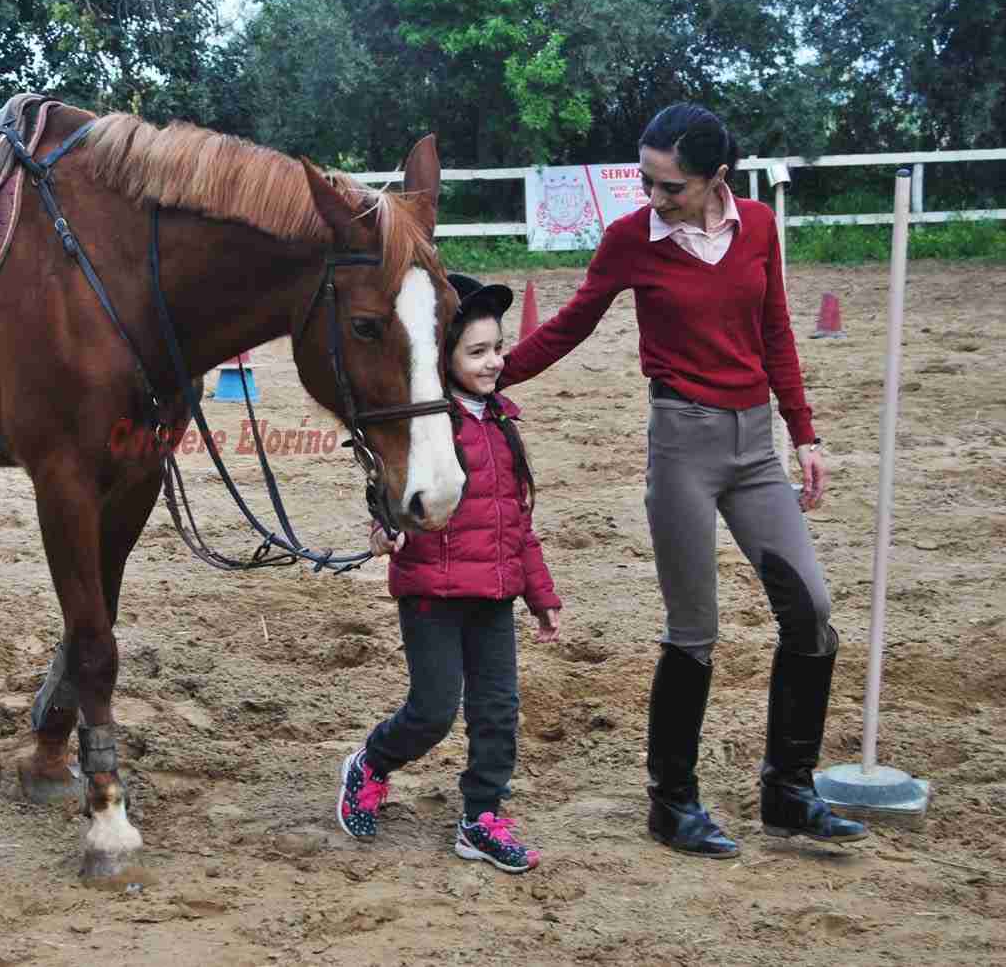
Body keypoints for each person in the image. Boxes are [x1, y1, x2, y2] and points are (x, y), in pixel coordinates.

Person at [497, 103, 868, 858]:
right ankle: (673, 803)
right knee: (693, 628)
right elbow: (571, 322)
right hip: (681, 446)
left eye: (669, 187)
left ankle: (788, 792)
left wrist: (805, 434)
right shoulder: (630, 240)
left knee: (811, 613)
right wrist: (488, 377)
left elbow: (775, 332)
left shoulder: (758, 226)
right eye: (646, 182)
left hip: (755, 448)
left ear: (714, 179)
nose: (653, 198)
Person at [335, 274, 562, 874]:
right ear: (443, 360)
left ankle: (481, 818)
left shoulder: (502, 426)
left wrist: (539, 594)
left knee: (498, 710)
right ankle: (371, 764)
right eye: (478, 352)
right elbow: (390, 503)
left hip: (494, 597)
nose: (495, 363)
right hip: (432, 594)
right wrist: (386, 531)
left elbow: (518, 521)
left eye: (498, 349)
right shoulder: (425, 431)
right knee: (433, 711)